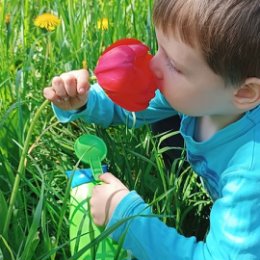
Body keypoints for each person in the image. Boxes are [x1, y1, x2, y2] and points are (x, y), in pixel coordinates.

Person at [43, 0, 260, 259]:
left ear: (245, 92)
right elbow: (131, 108)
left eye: (175, 65)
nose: (154, 65)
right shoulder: (207, 97)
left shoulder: (250, 172)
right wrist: (84, 101)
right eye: (160, 48)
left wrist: (127, 220)